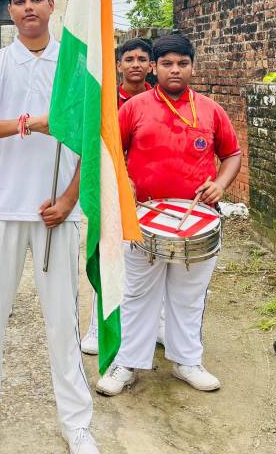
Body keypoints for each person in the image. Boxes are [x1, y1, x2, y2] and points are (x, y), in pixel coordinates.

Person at [0, 0, 98, 454]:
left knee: (62, 322)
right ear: (9, 11)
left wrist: (70, 199)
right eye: (19, 1)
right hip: (4, 206)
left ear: (52, 6)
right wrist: (26, 124)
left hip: (57, 211)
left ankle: (76, 423)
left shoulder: (76, 64)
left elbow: (92, 137)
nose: (28, 7)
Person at [95, 34, 241, 397]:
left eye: (182, 63)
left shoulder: (210, 110)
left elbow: (232, 154)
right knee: (137, 295)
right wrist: (125, 181)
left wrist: (220, 184)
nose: (175, 70)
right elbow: (110, 152)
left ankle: (187, 361)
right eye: (167, 64)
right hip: (143, 220)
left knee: (189, 296)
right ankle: (127, 363)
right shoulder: (134, 108)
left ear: (193, 66)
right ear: (154, 67)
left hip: (197, 221)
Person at [81, 37, 155, 356]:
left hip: (148, 192)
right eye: (129, 59)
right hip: (111, 186)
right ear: (118, 65)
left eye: (142, 59)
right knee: (109, 253)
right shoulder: (104, 98)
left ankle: (149, 327)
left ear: (151, 66)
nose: (135, 64)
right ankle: (99, 326)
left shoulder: (159, 100)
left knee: (148, 258)